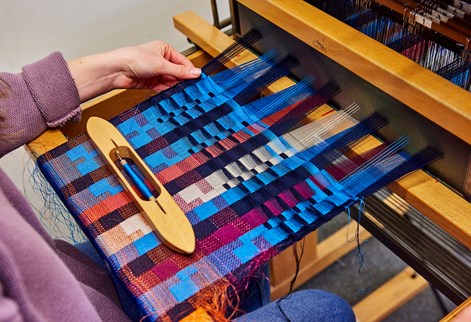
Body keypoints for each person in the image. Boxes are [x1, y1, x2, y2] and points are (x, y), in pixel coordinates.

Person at [0, 41, 355, 321]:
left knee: (232, 244)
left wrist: (110, 69)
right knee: (326, 311)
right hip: (71, 303)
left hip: (66, 281)